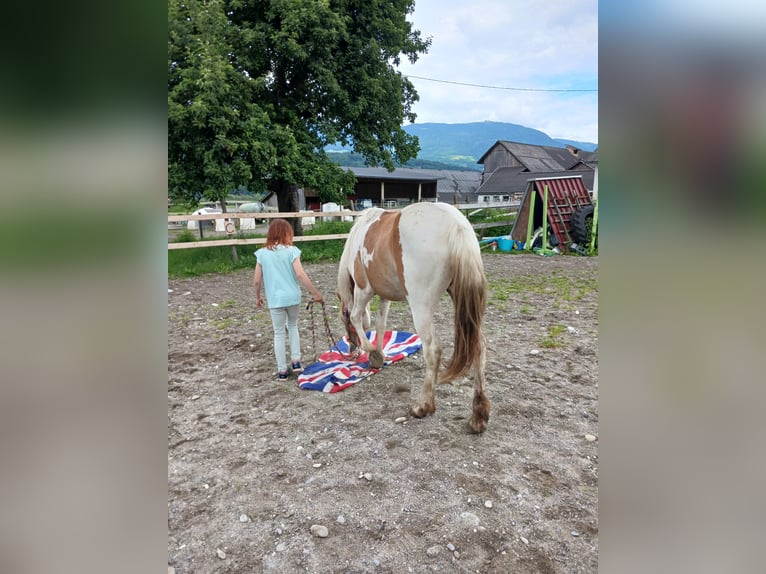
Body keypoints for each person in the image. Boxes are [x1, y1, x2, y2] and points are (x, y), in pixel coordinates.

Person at [253, 219, 324, 380]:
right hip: (293, 297)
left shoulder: (262, 254)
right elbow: (300, 274)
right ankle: (296, 361)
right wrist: (315, 293)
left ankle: (282, 370)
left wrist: (258, 297)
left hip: (275, 299)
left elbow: (257, 280)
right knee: (292, 326)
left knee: (278, 332)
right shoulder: (292, 251)